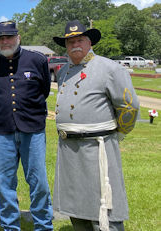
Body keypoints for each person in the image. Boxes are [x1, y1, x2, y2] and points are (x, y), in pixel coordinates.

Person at [52, 20, 139, 231]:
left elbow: (129, 106)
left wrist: (116, 133)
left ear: (89, 42)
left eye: (79, 39)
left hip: (97, 147)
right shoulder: (64, 71)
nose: (75, 45)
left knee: (105, 203)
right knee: (75, 203)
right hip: (69, 149)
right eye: (70, 41)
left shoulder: (110, 68)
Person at [0, 21, 53, 231]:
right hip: (3, 130)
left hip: (33, 129)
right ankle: (10, 226)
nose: (5, 41)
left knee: (38, 181)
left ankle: (43, 225)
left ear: (18, 37)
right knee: (4, 183)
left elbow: (44, 90)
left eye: (9, 37)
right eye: (1, 38)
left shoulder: (37, 60)